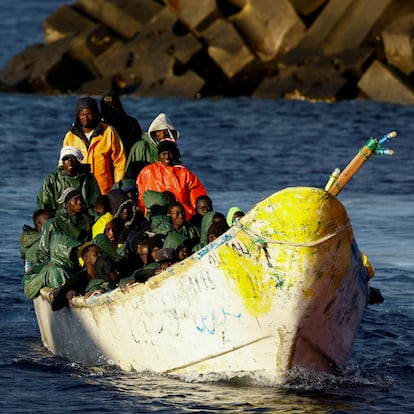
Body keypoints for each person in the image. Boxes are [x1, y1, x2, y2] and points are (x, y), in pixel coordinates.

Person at [62, 96, 126, 194]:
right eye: (82, 114)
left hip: (104, 190)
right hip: (79, 191)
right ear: (77, 116)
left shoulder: (108, 132)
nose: (85, 118)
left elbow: (119, 162)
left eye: (89, 114)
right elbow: (63, 165)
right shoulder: (70, 137)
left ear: (95, 114)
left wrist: (117, 187)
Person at [137, 140, 207, 220]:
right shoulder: (148, 172)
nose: (167, 156)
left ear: (174, 154)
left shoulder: (185, 174)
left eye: (169, 153)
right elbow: (141, 198)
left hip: (182, 218)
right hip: (155, 217)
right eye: (163, 153)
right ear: (159, 155)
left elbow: (198, 197)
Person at [37, 146, 101, 216]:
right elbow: (44, 204)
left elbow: (96, 204)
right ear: (62, 162)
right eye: (66, 159)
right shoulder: (53, 179)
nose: (70, 162)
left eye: (73, 158)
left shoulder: (88, 178)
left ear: (78, 161)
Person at [123, 112, 182, 183]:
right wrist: (129, 188)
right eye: (159, 131)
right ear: (153, 133)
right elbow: (130, 172)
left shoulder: (173, 149)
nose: (162, 134)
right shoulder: (141, 146)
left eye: (166, 131)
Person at [51, 244, 102, 311]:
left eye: (101, 253)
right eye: (96, 254)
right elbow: (55, 305)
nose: (100, 256)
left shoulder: (106, 273)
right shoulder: (79, 278)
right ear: (86, 259)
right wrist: (67, 296)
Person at [100, 91, 142, 157]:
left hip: (128, 159)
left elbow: (138, 146)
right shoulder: (98, 125)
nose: (111, 108)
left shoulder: (132, 122)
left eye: (113, 104)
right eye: (107, 105)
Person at [20, 209, 54, 274]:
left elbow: (22, 254)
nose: (52, 221)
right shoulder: (43, 238)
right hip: (36, 268)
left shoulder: (28, 236)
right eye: (48, 219)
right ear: (38, 223)